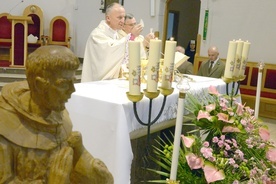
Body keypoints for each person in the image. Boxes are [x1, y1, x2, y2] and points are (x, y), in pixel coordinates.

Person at [0, 45, 114, 184]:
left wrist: (81, 152)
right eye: (64, 84)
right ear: (39, 85)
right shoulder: (5, 128)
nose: (72, 90)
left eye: (73, 82)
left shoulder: (58, 114)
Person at [81, 3, 143, 82]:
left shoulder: (115, 33)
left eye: (123, 17)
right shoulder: (97, 35)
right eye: (119, 17)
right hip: (97, 83)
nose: (122, 21)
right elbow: (110, 52)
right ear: (108, 18)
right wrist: (131, 36)